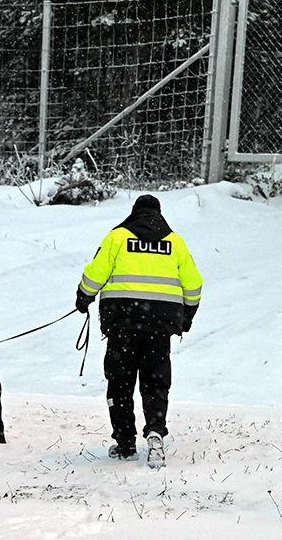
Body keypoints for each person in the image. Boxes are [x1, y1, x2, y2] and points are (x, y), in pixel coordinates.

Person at [75, 194, 202, 468]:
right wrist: (187, 317)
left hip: (123, 325)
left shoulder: (118, 237)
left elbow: (95, 273)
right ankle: (155, 432)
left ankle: (125, 443)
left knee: (120, 384)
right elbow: (193, 284)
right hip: (159, 328)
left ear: (134, 213)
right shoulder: (175, 242)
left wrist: (83, 297)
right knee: (155, 383)